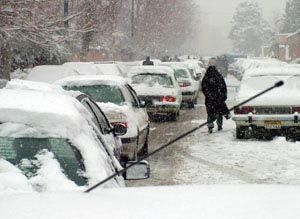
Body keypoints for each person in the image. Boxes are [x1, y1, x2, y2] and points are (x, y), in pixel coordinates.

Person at [201, 66, 230, 133]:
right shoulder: (219, 77)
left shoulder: (206, 78)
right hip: (219, 99)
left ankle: (210, 127)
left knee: (210, 113)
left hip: (210, 100)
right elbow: (224, 87)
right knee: (219, 113)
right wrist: (223, 95)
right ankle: (219, 125)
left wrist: (209, 95)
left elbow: (204, 88)